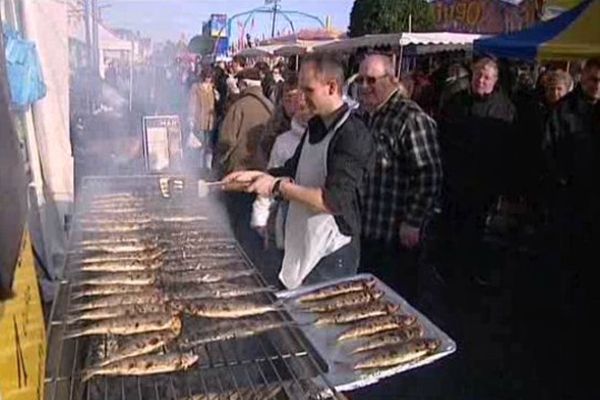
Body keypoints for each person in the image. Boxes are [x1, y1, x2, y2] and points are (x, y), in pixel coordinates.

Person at [222, 54, 375, 289]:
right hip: (304, 243)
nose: (301, 99)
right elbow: (292, 169)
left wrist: (276, 187)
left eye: (308, 90)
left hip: (332, 253)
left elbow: (332, 201)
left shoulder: (352, 134)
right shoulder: (315, 126)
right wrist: (254, 176)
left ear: (332, 87)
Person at [357, 54, 443, 302]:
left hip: (394, 236)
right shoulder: (366, 114)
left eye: (371, 80)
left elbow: (429, 174)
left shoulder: (410, 117)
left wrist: (413, 221)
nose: (364, 87)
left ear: (392, 80)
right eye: (360, 80)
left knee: (392, 304)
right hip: (366, 229)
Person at [541, 58, 600, 399]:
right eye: (592, 79)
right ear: (583, 78)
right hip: (569, 208)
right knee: (567, 275)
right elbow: (547, 153)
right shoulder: (563, 110)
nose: (596, 85)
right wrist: (562, 185)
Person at [438, 57, 516, 286]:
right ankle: (448, 271)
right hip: (455, 178)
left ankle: (470, 274)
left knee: (476, 230)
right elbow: (443, 135)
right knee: (452, 226)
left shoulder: (504, 108)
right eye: (478, 75)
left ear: (495, 81)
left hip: (485, 182)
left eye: (486, 77)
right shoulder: (456, 102)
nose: (481, 80)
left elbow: (509, 149)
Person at [217, 67, 274, 262]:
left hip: (239, 175)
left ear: (243, 84)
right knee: (256, 222)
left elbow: (226, 141)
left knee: (238, 222)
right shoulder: (270, 106)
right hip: (263, 176)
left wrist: (221, 163)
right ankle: (254, 259)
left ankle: (238, 260)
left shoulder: (238, 107)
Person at [188, 69, 217, 172]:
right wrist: (191, 118)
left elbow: (216, 102)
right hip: (199, 119)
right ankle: (199, 166)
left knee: (209, 144)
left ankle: (208, 166)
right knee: (200, 144)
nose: (208, 79)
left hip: (210, 120)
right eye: (207, 77)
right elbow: (192, 103)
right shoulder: (196, 87)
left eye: (210, 77)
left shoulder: (212, 88)